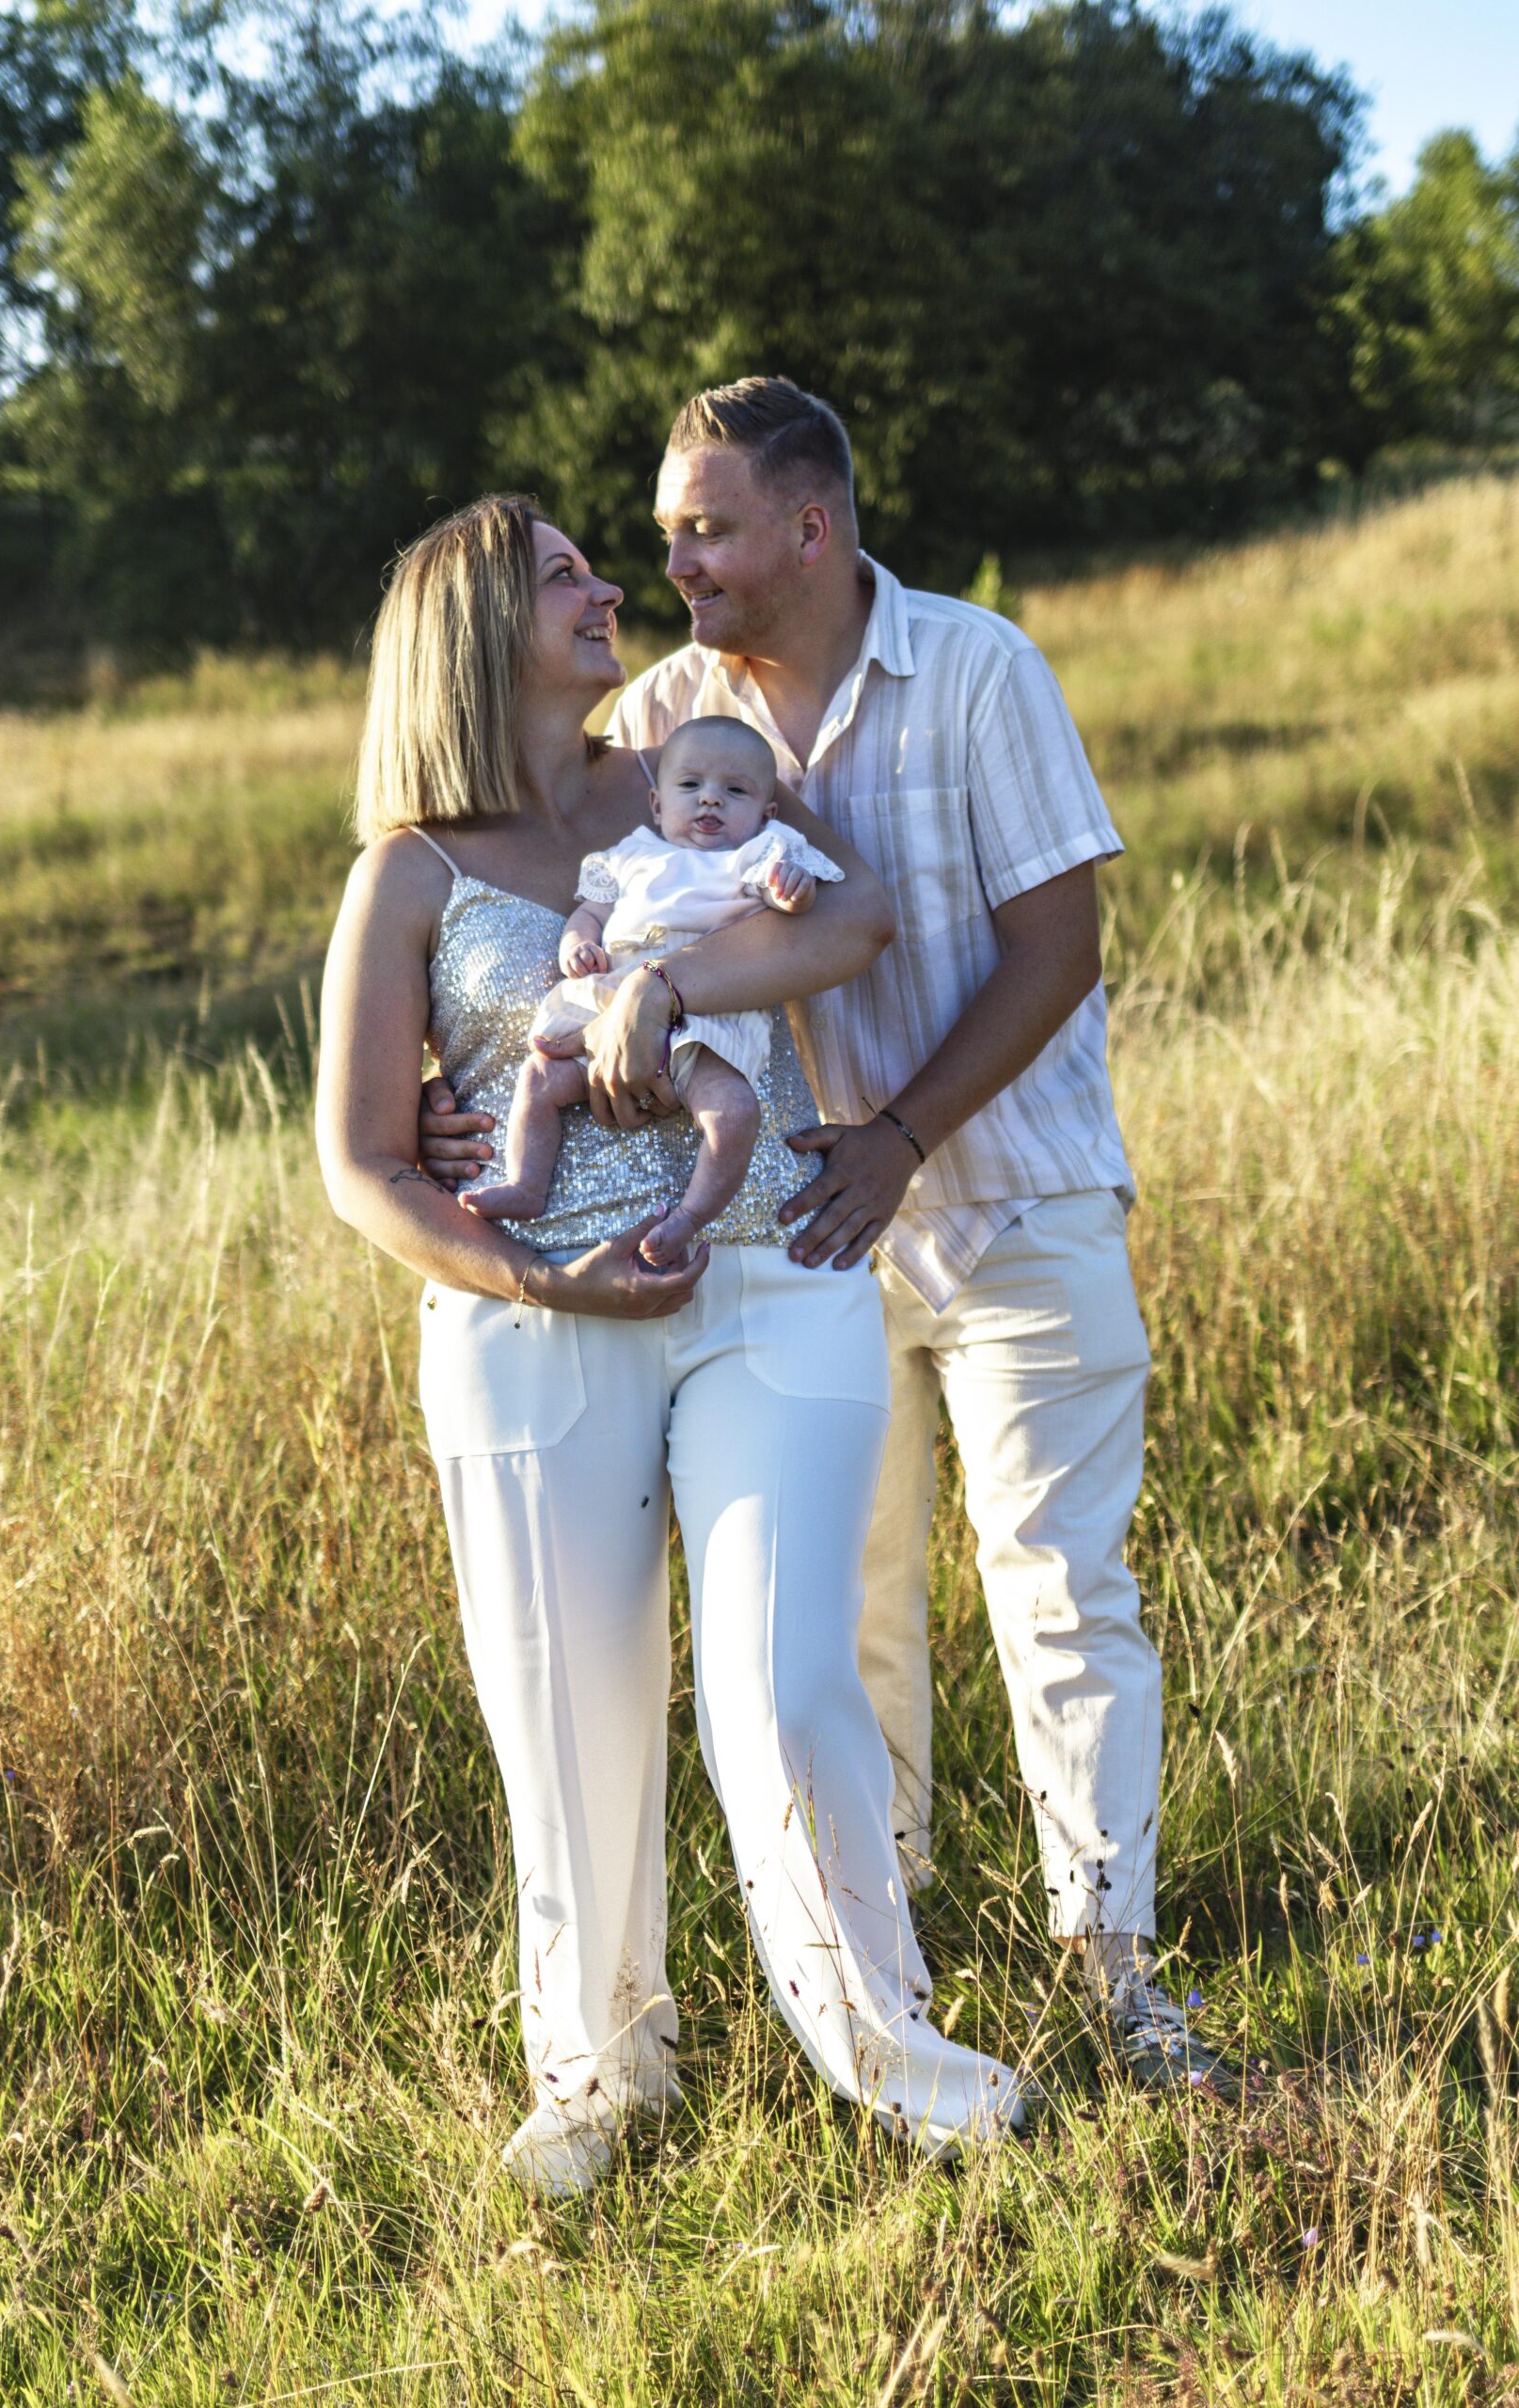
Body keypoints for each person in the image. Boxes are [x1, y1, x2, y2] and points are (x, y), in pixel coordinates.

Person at [419, 386, 1240, 2094]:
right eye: (664, 531)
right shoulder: (666, 713)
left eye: (705, 530)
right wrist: (467, 1094)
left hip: (1009, 1195)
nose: (672, 563)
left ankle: (1117, 1971)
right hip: (793, 1240)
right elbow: (543, 907)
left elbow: (1059, 945)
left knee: (1058, 1586)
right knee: (854, 1618)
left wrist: (900, 1137)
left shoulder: (977, 670)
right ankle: (898, 1966)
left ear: (808, 527)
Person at [316, 492, 1036, 2203]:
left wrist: (664, 986)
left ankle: (890, 2050)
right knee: (563, 1721)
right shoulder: (408, 869)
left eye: (593, 564)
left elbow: (851, 923)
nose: (606, 588)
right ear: (472, 632)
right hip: (529, 1319)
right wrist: (538, 1282)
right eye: (563, 574)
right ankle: (598, 2071)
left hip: (767, 1273)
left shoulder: (688, 779)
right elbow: (359, 1165)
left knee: (785, 1686)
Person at [463, 714, 842, 1267]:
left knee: (734, 1112)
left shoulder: (761, 853)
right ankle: (525, 1183)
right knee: (540, 1075)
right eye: (691, 785)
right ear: (658, 804)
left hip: (707, 1014)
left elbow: (794, 904)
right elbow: (589, 913)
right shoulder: (631, 854)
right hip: (612, 1006)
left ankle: (689, 1215)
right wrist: (578, 944)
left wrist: (793, 891)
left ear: (767, 814)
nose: (710, 800)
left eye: (735, 791)